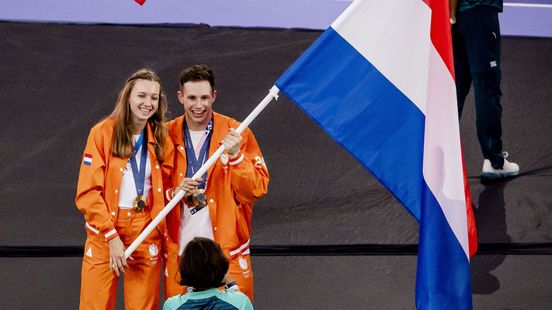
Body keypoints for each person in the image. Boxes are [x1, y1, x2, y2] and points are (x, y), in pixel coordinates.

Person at [163, 64, 269, 301]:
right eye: (191, 98)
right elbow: (154, 192)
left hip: (227, 252)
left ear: (214, 96)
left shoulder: (237, 132)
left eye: (204, 97)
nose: (198, 105)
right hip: (181, 254)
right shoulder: (165, 135)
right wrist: (174, 192)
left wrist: (236, 157)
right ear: (180, 97)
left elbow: (256, 189)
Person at [75, 68, 174, 309]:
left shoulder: (161, 137)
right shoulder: (101, 133)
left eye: (153, 97)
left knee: (143, 306)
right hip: (104, 233)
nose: (147, 103)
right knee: (94, 305)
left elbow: (169, 184)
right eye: (141, 96)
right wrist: (111, 237)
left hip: (144, 228)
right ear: (128, 96)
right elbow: (88, 192)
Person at [449, 0, 519, 180]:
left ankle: (438, 160)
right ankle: (494, 162)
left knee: (453, 89)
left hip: (454, 17)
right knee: (487, 88)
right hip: (478, 12)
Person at [163, 237, 254, 310]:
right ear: (222, 269)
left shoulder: (172, 306)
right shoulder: (240, 302)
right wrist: (230, 281)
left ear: (184, 269)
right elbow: (240, 301)